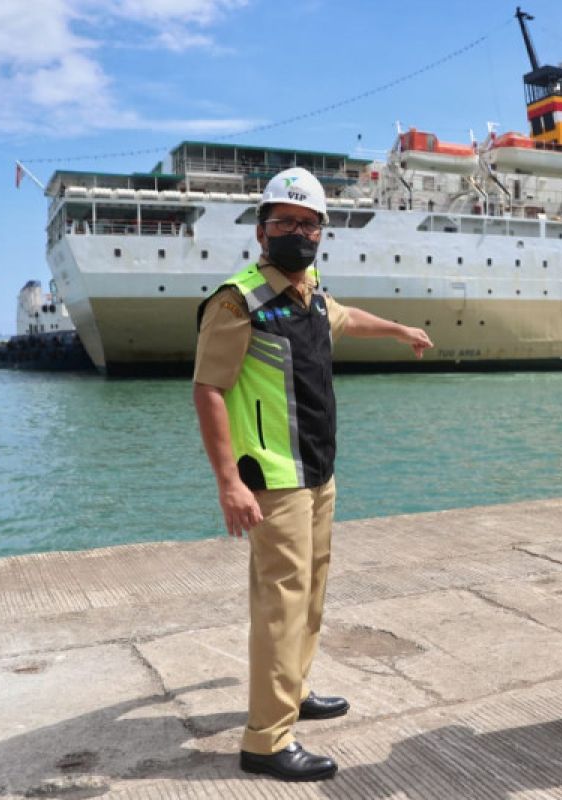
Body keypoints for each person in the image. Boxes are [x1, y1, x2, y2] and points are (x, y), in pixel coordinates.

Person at [193, 167, 433, 782]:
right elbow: (209, 390)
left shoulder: (309, 291)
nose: (298, 233)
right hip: (273, 477)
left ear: (321, 233)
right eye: (285, 223)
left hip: (318, 472)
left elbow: (345, 317)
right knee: (281, 601)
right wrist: (229, 482)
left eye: (308, 224)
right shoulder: (237, 301)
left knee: (312, 595)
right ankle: (267, 740)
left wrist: (401, 330)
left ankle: (293, 692)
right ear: (261, 231)